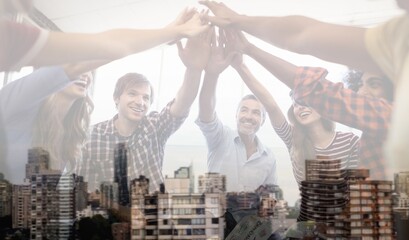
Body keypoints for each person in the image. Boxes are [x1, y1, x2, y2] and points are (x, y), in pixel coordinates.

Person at [200, 0, 409, 177]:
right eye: (361, 85)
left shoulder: (354, 138)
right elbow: (303, 34)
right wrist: (241, 37)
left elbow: (322, 91)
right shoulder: (296, 140)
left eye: (375, 85)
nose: (363, 93)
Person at [225, 30, 391, 179]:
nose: (300, 107)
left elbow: (358, 184)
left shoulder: (350, 142)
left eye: (305, 102)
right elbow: (271, 105)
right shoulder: (293, 139)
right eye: (296, 105)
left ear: (321, 106)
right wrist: (240, 67)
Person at [80, 29, 212, 192]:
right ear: (116, 98)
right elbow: (86, 191)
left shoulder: (154, 126)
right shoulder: (93, 136)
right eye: (132, 94)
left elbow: (183, 102)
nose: (140, 102)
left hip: (155, 215)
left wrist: (194, 69)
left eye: (146, 97)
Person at [0, 4, 209, 72]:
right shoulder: (9, 37)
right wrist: (174, 32)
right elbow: (111, 45)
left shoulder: (14, 38)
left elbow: (87, 59)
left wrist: (170, 32)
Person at [195, 29, 277, 192]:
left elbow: (268, 198)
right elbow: (206, 111)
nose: (249, 116)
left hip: (249, 218)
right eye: (244, 110)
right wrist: (212, 74)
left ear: (262, 120)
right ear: (236, 115)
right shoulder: (220, 137)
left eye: (256, 112)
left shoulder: (269, 157)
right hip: (214, 217)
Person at [0, 65, 95, 184]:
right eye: (80, 65)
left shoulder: (69, 132)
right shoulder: (22, 105)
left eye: (90, 69)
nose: (86, 73)